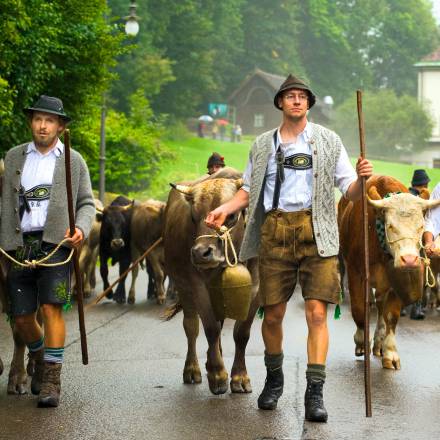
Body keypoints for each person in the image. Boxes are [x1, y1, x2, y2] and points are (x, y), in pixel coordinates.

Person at [205, 74, 373, 422]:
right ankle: (274, 379)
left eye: (302, 96)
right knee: (274, 313)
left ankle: (315, 391)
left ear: (308, 103)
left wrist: (363, 179)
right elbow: (248, 190)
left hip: (319, 231)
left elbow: (351, 192)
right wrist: (225, 208)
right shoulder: (263, 144)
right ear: (280, 103)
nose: (296, 101)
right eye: (289, 96)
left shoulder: (328, 141)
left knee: (316, 313)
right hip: (276, 230)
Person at [0, 95, 95, 407]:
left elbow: (86, 203)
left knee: (53, 308)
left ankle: (52, 380)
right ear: (31, 122)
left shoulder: (72, 160)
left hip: (56, 244)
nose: (43, 125)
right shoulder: (14, 157)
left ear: (60, 125)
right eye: (38, 119)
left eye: (49, 120)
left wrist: (80, 228)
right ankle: (40, 356)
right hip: (17, 246)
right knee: (22, 316)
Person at [405, 169, 431, 319]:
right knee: (422, 272)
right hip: (417, 241)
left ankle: (402, 306)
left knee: (403, 273)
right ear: (425, 184)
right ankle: (417, 308)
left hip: (402, 241)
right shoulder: (421, 198)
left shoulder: (404, 195)